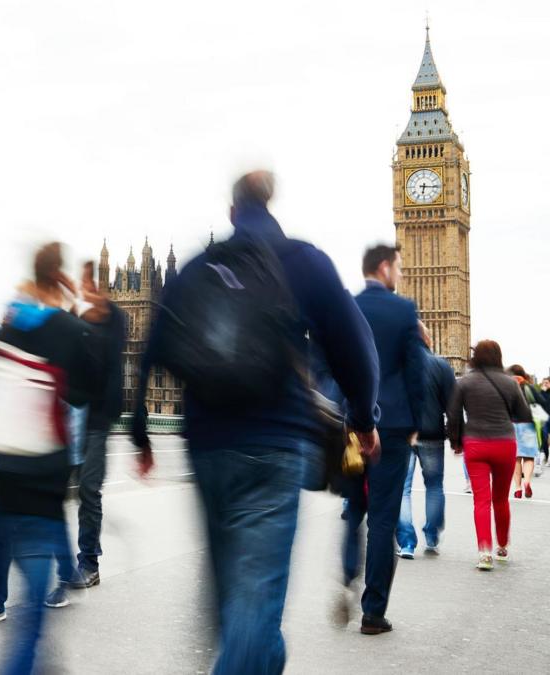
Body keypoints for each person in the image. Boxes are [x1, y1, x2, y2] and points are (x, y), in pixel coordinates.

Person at [132, 172, 380, 673]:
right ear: (272, 203)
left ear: (231, 211)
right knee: (255, 600)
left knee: (237, 601)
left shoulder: (201, 266)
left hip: (206, 447)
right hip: (275, 444)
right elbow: (356, 349)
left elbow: (152, 347)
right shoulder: (303, 261)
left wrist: (140, 432)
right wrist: (363, 418)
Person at [0, 242, 102, 675]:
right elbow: (85, 390)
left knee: (7, 556)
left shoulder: (1, 332)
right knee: (33, 611)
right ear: (60, 277)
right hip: (41, 482)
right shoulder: (69, 332)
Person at [343, 243, 426, 635]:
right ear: (384, 268)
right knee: (382, 519)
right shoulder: (403, 310)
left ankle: (344, 573)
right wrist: (418, 423)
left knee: (353, 509)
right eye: (399, 267)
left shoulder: (347, 305)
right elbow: (416, 372)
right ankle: (372, 612)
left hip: (350, 423)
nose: (401, 274)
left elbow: (333, 363)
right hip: (391, 427)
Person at [62, 261, 126, 593]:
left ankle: (88, 562)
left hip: (97, 421)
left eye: (91, 286)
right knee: (58, 491)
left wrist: (100, 309)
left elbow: (110, 348)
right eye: (82, 285)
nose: (86, 291)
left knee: (88, 489)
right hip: (68, 417)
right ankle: (59, 561)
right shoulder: (75, 321)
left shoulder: (115, 321)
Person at [447, 340, 532, 569]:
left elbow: (453, 415)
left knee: (481, 501)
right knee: (501, 499)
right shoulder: (510, 383)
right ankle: (502, 546)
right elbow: (523, 414)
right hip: (504, 443)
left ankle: (484, 552)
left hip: (475, 444)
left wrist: (456, 442)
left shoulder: (465, 382)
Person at [395, 321, 455, 557]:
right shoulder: (441, 365)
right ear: (428, 339)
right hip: (432, 435)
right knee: (434, 486)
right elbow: (451, 405)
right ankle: (431, 535)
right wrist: (456, 437)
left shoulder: (397, 365)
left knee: (402, 490)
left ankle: (407, 543)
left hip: (402, 434)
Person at [507, 365, 547, 495]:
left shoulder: (507, 387)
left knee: (516, 458)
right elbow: (542, 402)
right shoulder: (528, 387)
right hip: (528, 425)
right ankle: (527, 482)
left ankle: (518, 489)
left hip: (511, 426)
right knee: (529, 457)